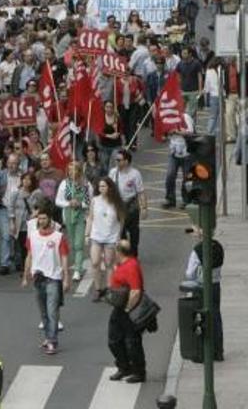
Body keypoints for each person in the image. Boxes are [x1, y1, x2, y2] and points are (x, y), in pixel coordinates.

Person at [21, 206, 71, 355]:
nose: (41, 221)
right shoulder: (33, 236)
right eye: (39, 218)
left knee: (52, 311)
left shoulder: (58, 237)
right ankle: (48, 337)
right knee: (43, 313)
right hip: (38, 277)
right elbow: (29, 256)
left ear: (50, 219)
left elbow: (64, 257)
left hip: (53, 278)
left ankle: (52, 341)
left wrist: (66, 278)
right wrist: (25, 276)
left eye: (44, 218)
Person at [107, 240, 147, 384]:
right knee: (114, 340)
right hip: (121, 308)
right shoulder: (123, 264)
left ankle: (138, 372)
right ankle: (124, 367)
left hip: (129, 309)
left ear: (119, 252)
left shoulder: (131, 266)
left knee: (132, 342)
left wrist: (128, 309)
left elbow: (135, 291)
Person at [184, 228, 224, 361]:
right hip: (216, 285)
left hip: (202, 286)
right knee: (216, 316)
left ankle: (203, 352)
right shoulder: (218, 247)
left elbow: (190, 273)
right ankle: (218, 351)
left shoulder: (198, 250)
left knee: (201, 318)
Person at [86, 177, 126, 302]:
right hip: (96, 236)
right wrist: (87, 234)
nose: (101, 189)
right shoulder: (95, 201)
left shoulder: (116, 202)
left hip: (111, 237)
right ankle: (98, 289)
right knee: (95, 262)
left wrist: (119, 236)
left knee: (109, 264)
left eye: (104, 186)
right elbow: (90, 218)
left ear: (109, 187)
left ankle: (109, 290)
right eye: (100, 186)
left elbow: (121, 220)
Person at [56, 162, 93, 281]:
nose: (72, 172)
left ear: (79, 171)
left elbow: (90, 202)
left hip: (81, 216)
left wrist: (80, 204)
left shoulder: (86, 184)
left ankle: (77, 270)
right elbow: (58, 201)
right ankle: (79, 265)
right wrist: (68, 203)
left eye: (75, 170)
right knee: (72, 243)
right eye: (70, 170)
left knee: (79, 243)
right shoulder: (64, 184)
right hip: (68, 215)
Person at [109, 151, 148, 252]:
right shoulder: (113, 173)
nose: (116, 162)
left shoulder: (135, 174)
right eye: (116, 160)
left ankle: (134, 252)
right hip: (118, 206)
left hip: (131, 206)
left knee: (134, 231)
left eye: (118, 160)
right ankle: (125, 253)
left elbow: (141, 192)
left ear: (126, 161)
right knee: (120, 232)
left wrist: (144, 208)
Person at [163, 112, 195, 209]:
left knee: (187, 178)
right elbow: (164, 135)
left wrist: (178, 132)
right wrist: (168, 133)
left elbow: (190, 132)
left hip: (187, 153)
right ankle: (170, 199)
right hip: (174, 153)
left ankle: (186, 200)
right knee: (170, 175)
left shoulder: (185, 117)